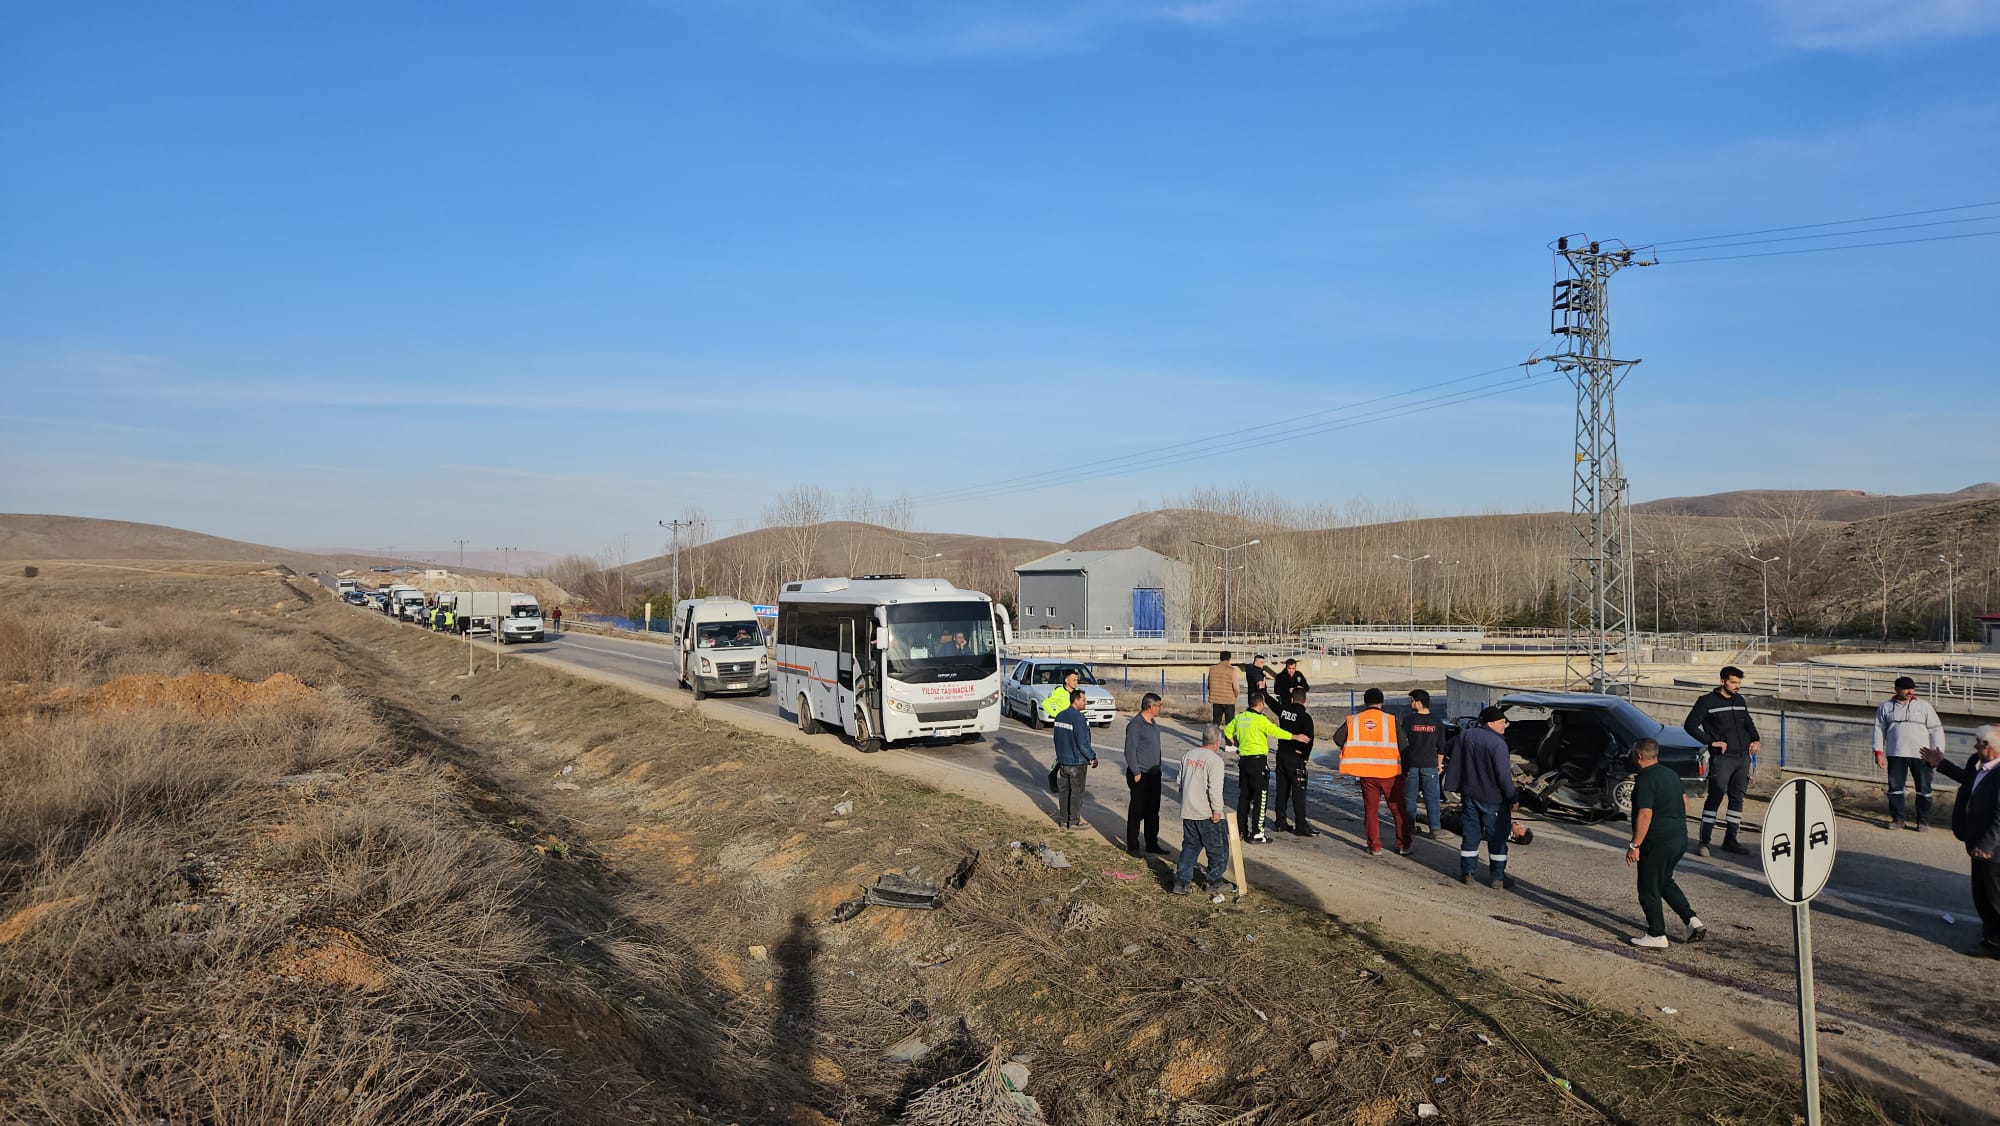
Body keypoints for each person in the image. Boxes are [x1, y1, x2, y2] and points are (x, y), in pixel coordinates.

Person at [1922, 726, 2000, 958]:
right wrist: (1941, 764)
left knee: (1992, 897)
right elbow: (1970, 781)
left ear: (1990, 747)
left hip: (1992, 849)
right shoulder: (1985, 768)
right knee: (1981, 894)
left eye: (1979, 743)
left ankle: (1995, 944)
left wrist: (1986, 846)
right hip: (1980, 845)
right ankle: (1991, 932)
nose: (1975, 746)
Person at [1624, 738, 1706, 948]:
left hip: (1657, 842)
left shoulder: (1645, 779)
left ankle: (1657, 934)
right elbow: (1684, 800)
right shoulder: (1670, 774)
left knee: (1648, 887)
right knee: (1664, 881)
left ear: (1639, 756)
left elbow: (1645, 814)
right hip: (1678, 837)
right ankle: (1692, 921)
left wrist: (1635, 845)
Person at [1682, 666, 1762, 856]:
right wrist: (1711, 742)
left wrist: (1756, 739)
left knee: (1737, 798)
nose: (1737, 687)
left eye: (1739, 683)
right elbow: (1690, 725)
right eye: (1734, 682)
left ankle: (1731, 840)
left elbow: (1747, 721)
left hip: (1742, 758)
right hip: (1722, 759)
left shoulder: (1739, 700)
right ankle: (1704, 842)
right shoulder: (1706, 702)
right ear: (1722, 681)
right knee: (1715, 797)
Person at [1333, 688, 1412, 857]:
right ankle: (1403, 845)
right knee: (1398, 810)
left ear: (1365, 702)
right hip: (1391, 772)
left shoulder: (1354, 720)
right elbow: (1404, 745)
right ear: (1381, 702)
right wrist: (1405, 769)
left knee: (1371, 810)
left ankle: (1374, 846)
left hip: (1367, 773)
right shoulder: (1390, 720)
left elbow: (1338, 738)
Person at [1445, 705, 1517, 887]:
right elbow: (1503, 775)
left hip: (1469, 795)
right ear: (1492, 723)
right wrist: (1512, 797)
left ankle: (1468, 873)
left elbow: (1448, 748)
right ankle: (1498, 878)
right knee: (1498, 838)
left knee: (1470, 835)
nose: (1505, 726)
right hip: (1493, 799)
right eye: (1502, 722)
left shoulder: (1466, 735)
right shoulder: (1498, 744)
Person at [1224, 695, 1306, 844]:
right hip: (1258, 762)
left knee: (1244, 797)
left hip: (1244, 761)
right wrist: (1295, 737)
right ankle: (1257, 833)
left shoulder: (1241, 717)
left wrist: (1235, 742)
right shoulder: (1261, 720)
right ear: (1261, 704)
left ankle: (1241, 829)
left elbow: (1227, 731)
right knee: (1260, 798)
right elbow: (1276, 732)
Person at [1874, 675, 1946, 831]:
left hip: (1922, 755)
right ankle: (1898, 819)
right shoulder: (1885, 707)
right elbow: (1879, 730)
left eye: (1912, 688)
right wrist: (1878, 752)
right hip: (1896, 753)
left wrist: (1938, 752)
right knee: (1895, 788)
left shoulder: (1924, 706)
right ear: (1896, 689)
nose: (1910, 691)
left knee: (1924, 790)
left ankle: (1923, 821)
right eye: (1906, 688)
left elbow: (1936, 730)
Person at [1172, 725, 1236, 896]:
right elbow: (1214, 790)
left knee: (1190, 847)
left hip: (1189, 810)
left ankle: (1182, 881)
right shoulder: (1214, 761)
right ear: (1217, 741)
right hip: (1206, 813)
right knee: (1218, 849)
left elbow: (1180, 782)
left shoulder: (1188, 755)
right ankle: (1215, 881)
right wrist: (1217, 811)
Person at [1124, 692, 1169, 856]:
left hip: (1154, 774)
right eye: (1158, 706)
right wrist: (1135, 772)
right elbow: (1130, 751)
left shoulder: (1153, 722)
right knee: (1137, 811)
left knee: (1152, 811)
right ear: (1151, 707)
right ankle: (1133, 845)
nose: (1160, 708)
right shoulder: (1136, 725)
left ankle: (1151, 843)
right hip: (1141, 774)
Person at [1272, 685, 1318, 836]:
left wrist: (1263, 692)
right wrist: (1304, 758)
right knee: (1298, 792)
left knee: (1282, 790)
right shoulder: (1305, 718)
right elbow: (1309, 740)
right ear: (1305, 701)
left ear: (1292, 699)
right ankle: (1300, 824)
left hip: (1281, 754)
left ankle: (1280, 822)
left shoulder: (1285, 711)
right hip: (1296, 757)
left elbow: (1274, 706)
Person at [1051, 689, 1097, 830]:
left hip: (1063, 761)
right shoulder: (1079, 719)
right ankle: (1074, 822)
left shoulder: (1060, 716)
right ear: (1076, 700)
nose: (1086, 702)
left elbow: (1056, 739)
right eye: (1084, 700)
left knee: (1064, 792)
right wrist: (1092, 757)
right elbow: (1083, 743)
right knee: (1076, 793)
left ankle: (1064, 821)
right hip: (1077, 763)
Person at [1402, 688, 1445, 839]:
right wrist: (1439, 764)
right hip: (1430, 765)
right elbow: (1441, 746)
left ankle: (1409, 826)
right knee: (1432, 797)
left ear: (1419, 703)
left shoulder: (1409, 721)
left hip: (1411, 764)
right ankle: (1435, 828)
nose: (1410, 703)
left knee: (1410, 797)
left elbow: (1402, 744)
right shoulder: (1437, 722)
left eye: (1412, 700)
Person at [1207, 652, 1239, 726]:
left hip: (1216, 700)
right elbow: (1236, 687)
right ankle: (1229, 737)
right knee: (1230, 723)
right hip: (1229, 700)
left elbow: (1209, 684)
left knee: (1216, 722)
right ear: (1229, 659)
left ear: (1220, 658)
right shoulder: (1231, 670)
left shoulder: (1212, 669)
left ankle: (1214, 736)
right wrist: (1235, 695)